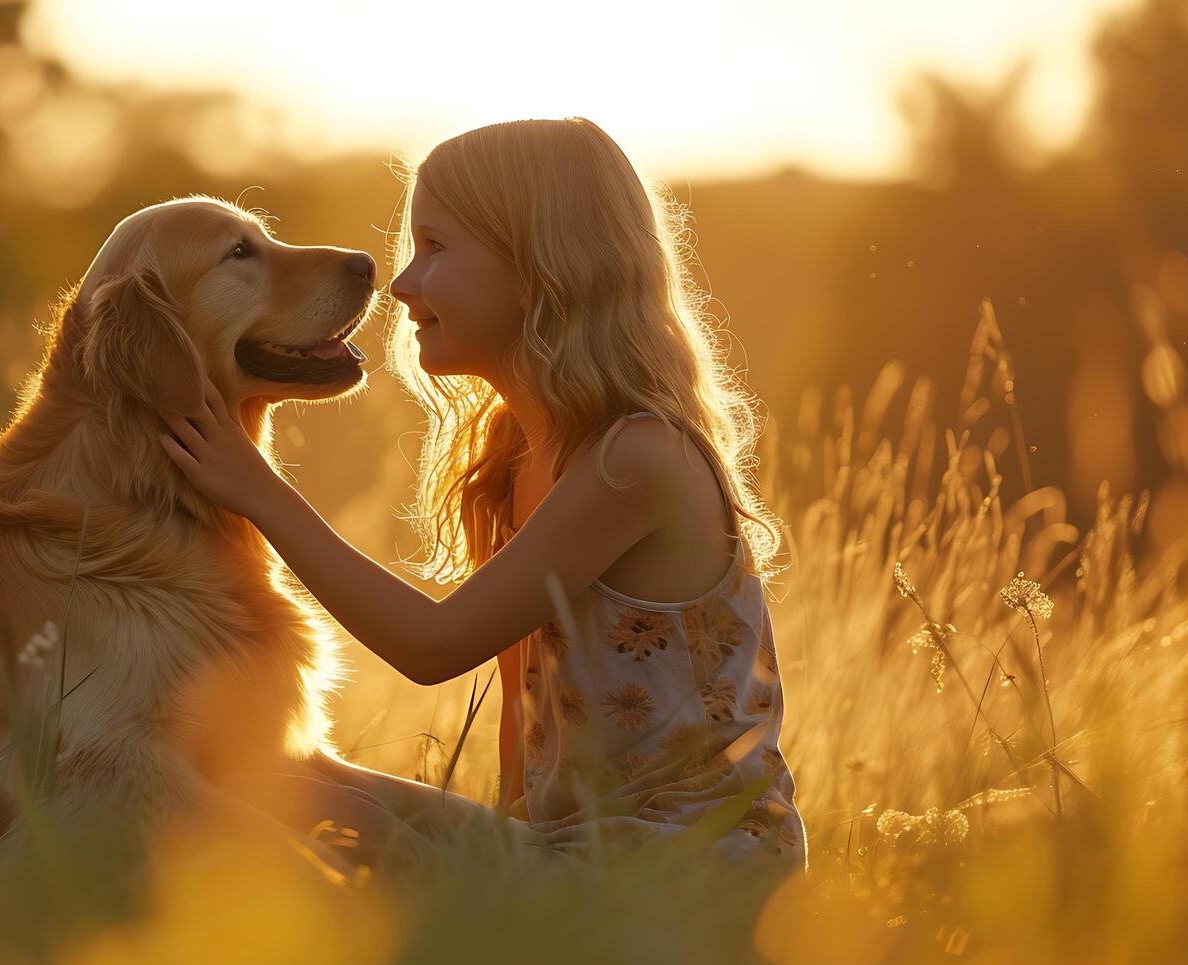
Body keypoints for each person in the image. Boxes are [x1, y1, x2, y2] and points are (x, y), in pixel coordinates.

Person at [159, 117, 804, 871]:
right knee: (253, 782)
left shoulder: (635, 458)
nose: (399, 286)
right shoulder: (517, 456)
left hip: (690, 870)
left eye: (433, 249)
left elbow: (432, 647)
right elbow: (522, 711)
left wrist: (259, 494)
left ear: (542, 265)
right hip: (567, 850)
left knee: (300, 819)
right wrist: (499, 865)